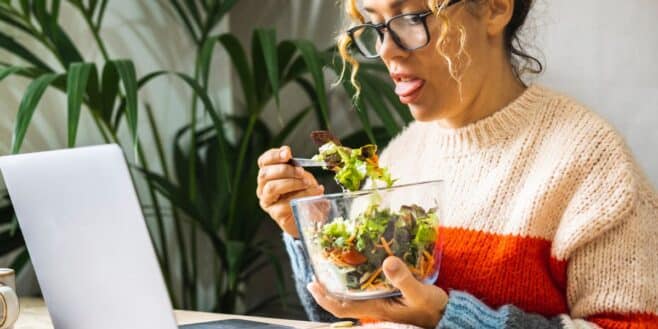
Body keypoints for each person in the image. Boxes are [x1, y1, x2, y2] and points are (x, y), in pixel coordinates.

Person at [256, 0, 658, 328]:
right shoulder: (401, 155)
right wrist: (310, 233)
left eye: (410, 19)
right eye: (376, 26)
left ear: (495, 9)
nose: (386, 50)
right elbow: (359, 317)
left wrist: (445, 318)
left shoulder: (591, 162)